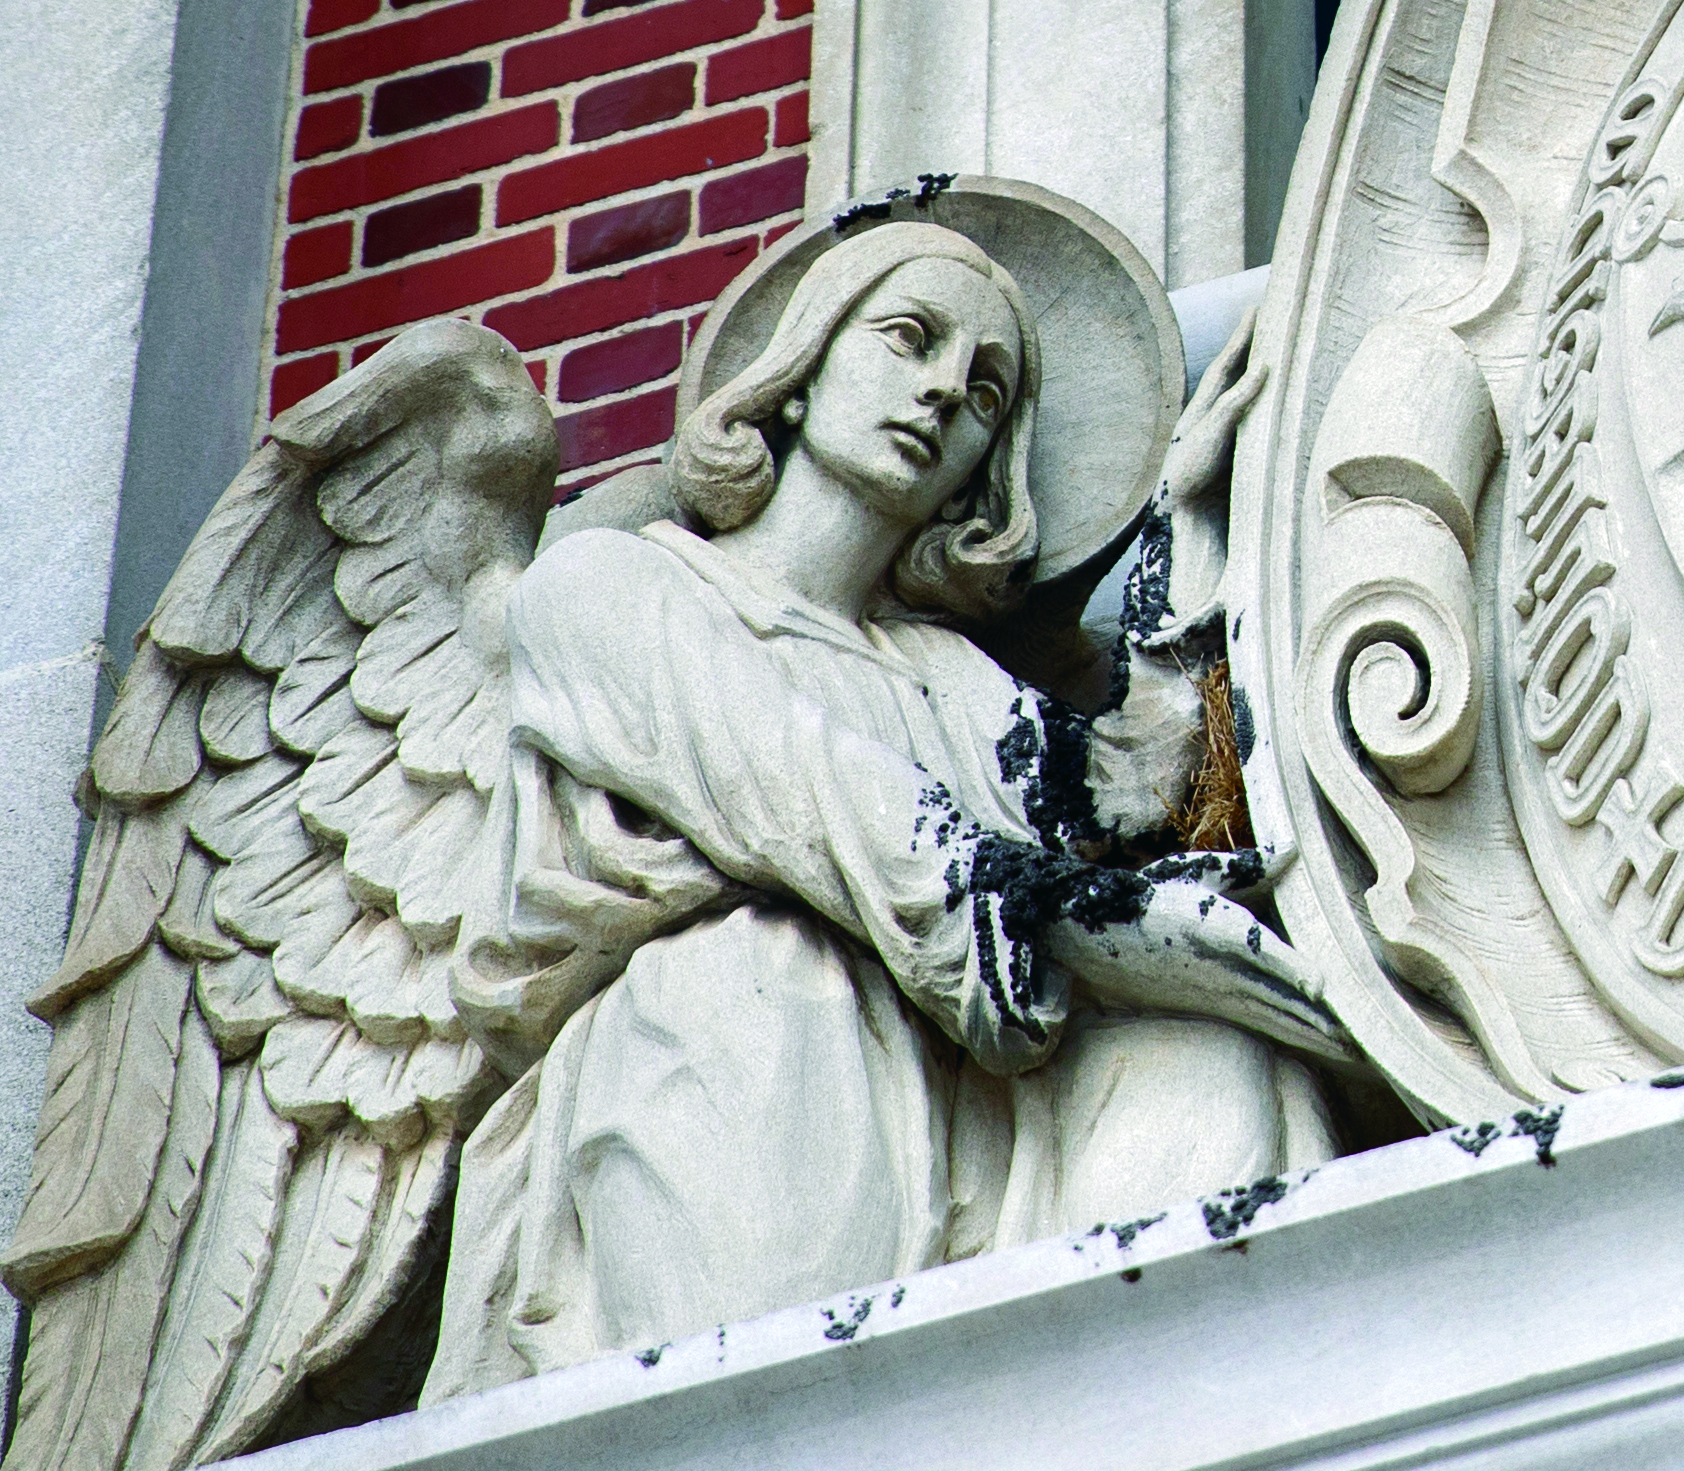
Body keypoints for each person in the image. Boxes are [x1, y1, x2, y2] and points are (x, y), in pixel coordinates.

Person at [427, 203, 1343, 1397]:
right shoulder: (611, 589)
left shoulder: (948, 680)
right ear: (801, 368)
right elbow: (808, 790)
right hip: (734, 1045)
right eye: (909, 338)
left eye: (985, 393)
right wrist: (1055, 918)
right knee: (772, 981)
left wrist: (1196, 521)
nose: (944, 393)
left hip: (951, 1075)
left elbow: (1142, 818)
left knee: (1208, 1069)